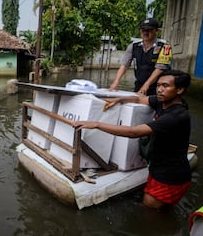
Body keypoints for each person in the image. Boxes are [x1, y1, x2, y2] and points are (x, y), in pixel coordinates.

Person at [74, 70, 191, 209]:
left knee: (150, 210)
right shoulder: (162, 102)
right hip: (157, 168)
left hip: (170, 175)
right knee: (150, 206)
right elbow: (138, 99)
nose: (160, 89)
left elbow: (134, 132)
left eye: (165, 86)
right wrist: (119, 100)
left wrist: (96, 124)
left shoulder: (177, 115)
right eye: (158, 85)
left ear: (180, 89)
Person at [109, 18, 173, 96]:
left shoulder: (165, 47)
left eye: (149, 30)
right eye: (143, 30)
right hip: (140, 84)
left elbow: (159, 69)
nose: (145, 33)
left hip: (159, 87)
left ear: (156, 31)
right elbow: (124, 65)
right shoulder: (133, 46)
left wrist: (146, 85)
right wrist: (116, 82)